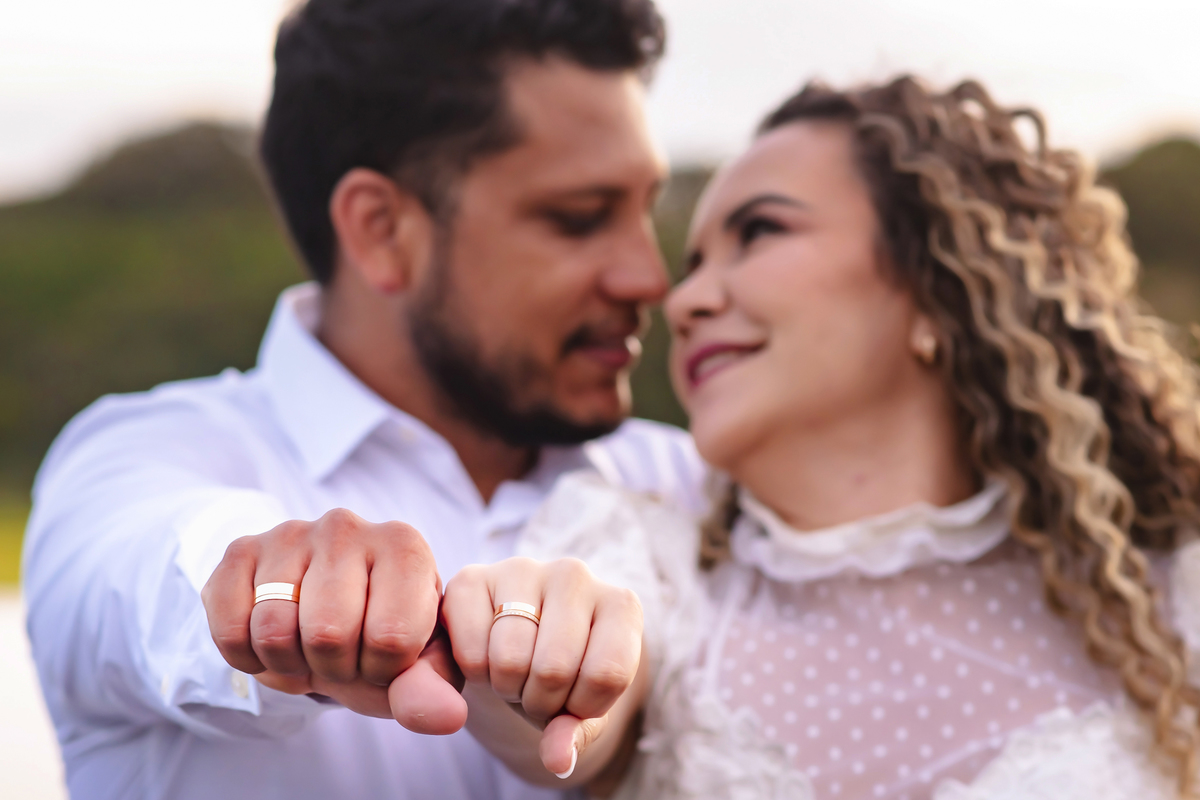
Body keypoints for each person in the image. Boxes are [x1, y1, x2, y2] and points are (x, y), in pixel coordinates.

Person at [21, 1, 705, 799]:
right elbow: (143, 577)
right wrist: (265, 582)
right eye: (578, 219)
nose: (648, 278)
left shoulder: (700, 484)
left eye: (644, 211)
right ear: (381, 228)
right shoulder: (137, 457)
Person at [516, 75, 1200, 799]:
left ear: (938, 289)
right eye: (693, 266)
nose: (685, 301)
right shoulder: (648, 565)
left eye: (759, 232)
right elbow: (549, 727)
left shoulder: (1168, 590)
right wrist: (524, 658)